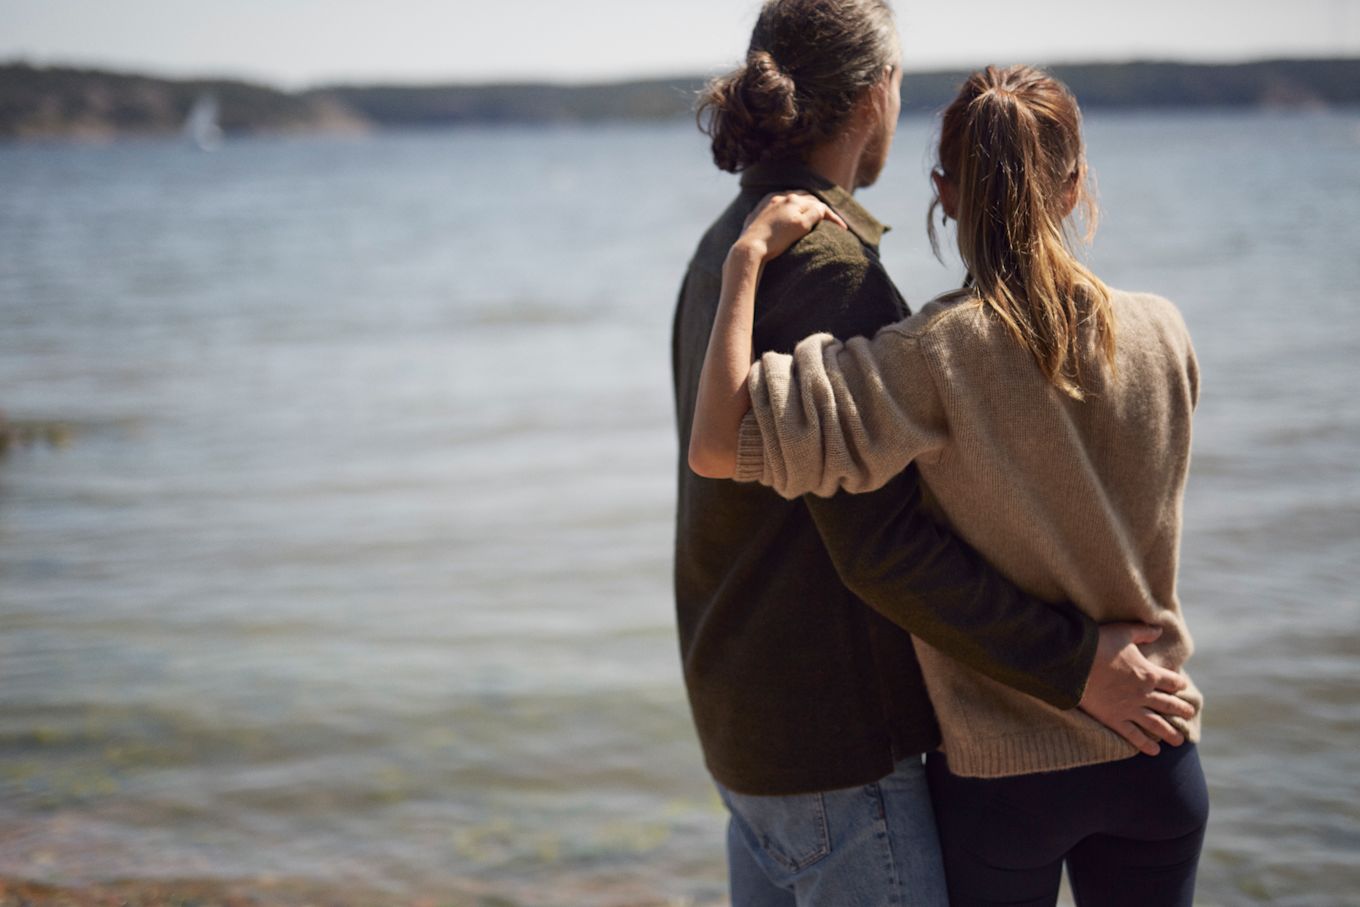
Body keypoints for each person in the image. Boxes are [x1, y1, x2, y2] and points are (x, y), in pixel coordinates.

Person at [674, 4, 1194, 905]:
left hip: (752, 724)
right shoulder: (838, 269)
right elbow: (882, 546)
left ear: (945, 188)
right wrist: (1078, 664)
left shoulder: (736, 242)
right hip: (847, 746)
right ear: (877, 92)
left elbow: (726, 455)